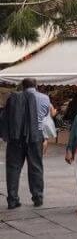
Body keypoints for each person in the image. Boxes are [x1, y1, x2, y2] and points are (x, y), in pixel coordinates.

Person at [0, 78, 45, 209]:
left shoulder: (12, 97)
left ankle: (12, 199)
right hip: (35, 136)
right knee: (36, 167)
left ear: (22, 86)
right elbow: (45, 116)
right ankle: (37, 197)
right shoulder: (43, 98)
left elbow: (4, 116)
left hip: (15, 137)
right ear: (36, 85)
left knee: (13, 168)